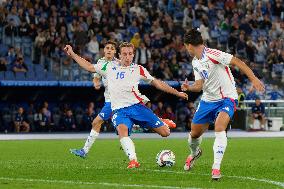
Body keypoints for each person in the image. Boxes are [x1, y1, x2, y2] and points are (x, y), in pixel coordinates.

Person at [64, 42, 188, 168]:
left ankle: (160, 122)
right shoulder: (109, 67)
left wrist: (177, 92)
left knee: (165, 133)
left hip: (137, 107)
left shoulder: (138, 69)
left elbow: (158, 83)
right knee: (122, 131)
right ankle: (133, 160)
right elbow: (89, 66)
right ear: (119, 55)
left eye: (130, 54)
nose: (127, 57)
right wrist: (73, 54)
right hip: (119, 110)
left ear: (133, 55)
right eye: (124, 54)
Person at [181, 29, 265, 180]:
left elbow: (237, 62)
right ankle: (194, 153)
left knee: (220, 127)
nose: (186, 49)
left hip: (227, 98)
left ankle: (216, 169)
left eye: (186, 46)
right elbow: (199, 85)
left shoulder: (213, 54)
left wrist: (254, 79)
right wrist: (189, 88)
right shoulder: (195, 62)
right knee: (194, 134)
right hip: (207, 100)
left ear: (189, 45)